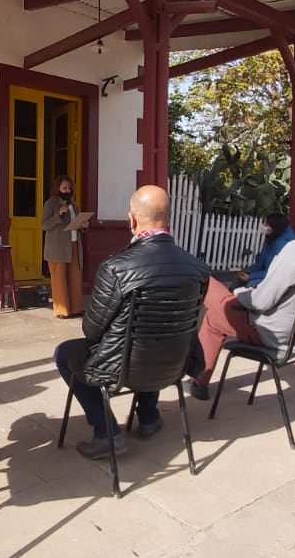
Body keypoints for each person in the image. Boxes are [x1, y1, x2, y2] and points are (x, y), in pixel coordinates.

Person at [54, 185, 209, 459]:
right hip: (174, 364)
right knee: (156, 338)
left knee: (66, 353)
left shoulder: (116, 267)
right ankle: (148, 417)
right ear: (168, 219)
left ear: (132, 220)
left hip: (123, 367)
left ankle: (106, 432)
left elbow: (91, 330)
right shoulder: (196, 268)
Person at [186, 192, 295, 400]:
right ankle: (198, 378)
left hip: (270, 332)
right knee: (218, 309)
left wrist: (241, 292)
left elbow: (260, 302)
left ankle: (198, 378)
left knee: (209, 293)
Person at [42, 176, 86, 318]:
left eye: (69, 188)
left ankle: (76, 309)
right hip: (57, 247)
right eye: (64, 188)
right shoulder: (50, 204)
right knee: (59, 278)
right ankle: (62, 310)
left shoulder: (73, 205)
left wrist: (84, 225)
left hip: (74, 244)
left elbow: (78, 223)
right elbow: (44, 225)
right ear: (57, 189)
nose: (67, 190)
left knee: (75, 277)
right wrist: (58, 215)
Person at [223, 213, 295, 290]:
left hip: (278, 277)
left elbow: (274, 271)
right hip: (266, 273)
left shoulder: (282, 245)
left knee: (251, 285)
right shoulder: (271, 239)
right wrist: (246, 271)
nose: (263, 225)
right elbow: (260, 263)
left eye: (267, 224)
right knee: (238, 281)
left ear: (275, 227)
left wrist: (250, 277)